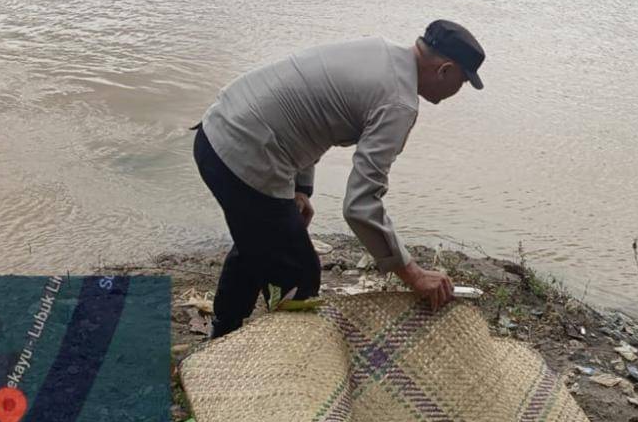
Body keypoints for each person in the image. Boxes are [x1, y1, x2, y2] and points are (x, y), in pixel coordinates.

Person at [194, 19, 485, 337]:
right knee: (298, 272)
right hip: (245, 154)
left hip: (217, 131)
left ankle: (222, 335)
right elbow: (360, 205)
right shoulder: (399, 103)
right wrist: (413, 274)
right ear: (444, 70)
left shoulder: (377, 49)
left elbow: (306, 109)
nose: (459, 91)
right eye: (463, 81)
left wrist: (301, 189)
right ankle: (285, 361)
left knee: (263, 241)